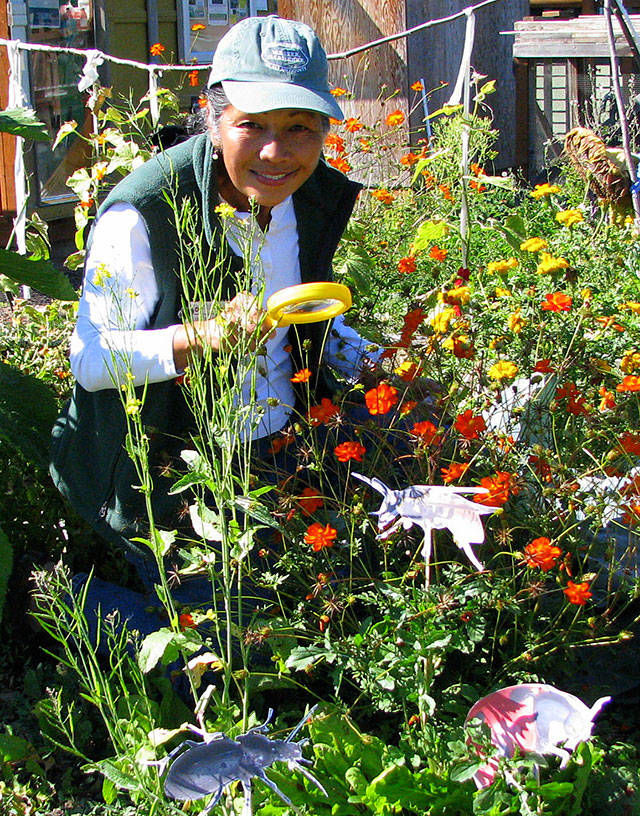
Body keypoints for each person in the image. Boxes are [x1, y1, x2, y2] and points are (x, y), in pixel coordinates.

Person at [49, 16, 378, 629]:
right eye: (252, 125)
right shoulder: (146, 211)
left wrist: (377, 362)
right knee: (227, 643)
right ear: (213, 117)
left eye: (299, 127)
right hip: (171, 468)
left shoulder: (310, 198)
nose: (276, 153)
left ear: (324, 130)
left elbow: (299, 318)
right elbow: (91, 361)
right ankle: (68, 601)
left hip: (281, 444)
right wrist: (199, 338)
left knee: (324, 603)